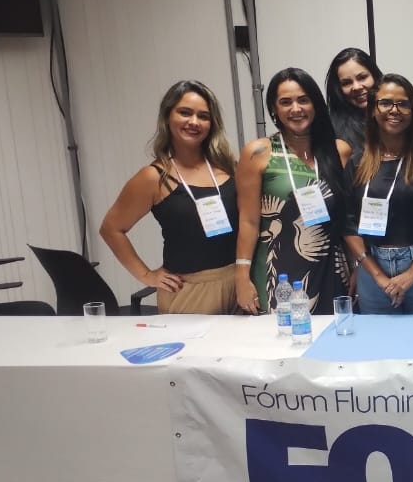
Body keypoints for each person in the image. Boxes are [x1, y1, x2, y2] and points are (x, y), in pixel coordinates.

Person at [100, 80, 239, 314]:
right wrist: (146, 275)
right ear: (167, 117)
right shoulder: (153, 177)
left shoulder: (228, 167)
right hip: (189, 292)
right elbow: (111, 228)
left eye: (203, 116)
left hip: (237, 283)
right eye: (185, 113)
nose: (194, 122)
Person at [235, 68, 351, 315]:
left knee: (332, 335)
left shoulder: (338, 151)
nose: (296, 109)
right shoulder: (258, 153)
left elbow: (347, 218)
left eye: (303, 100)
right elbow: (248, 220)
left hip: (330, 268)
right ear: (274, 109)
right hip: (278, 270)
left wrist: (357, 268)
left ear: (315, 104)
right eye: (286, 102)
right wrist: (241, 276)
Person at [344, 73, 413, 315]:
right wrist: (378, 276)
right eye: (385, 103)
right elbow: (348, 224)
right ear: (373, 110)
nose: (394, 110)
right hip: (373, 272)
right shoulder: (357, 163)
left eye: (403, 104)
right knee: (379, 339)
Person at [324, 47, 382, 160]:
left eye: (362, 77)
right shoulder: (335, 134)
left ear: (374, 76)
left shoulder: (393, 117)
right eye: (346, 83)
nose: (356, 87)